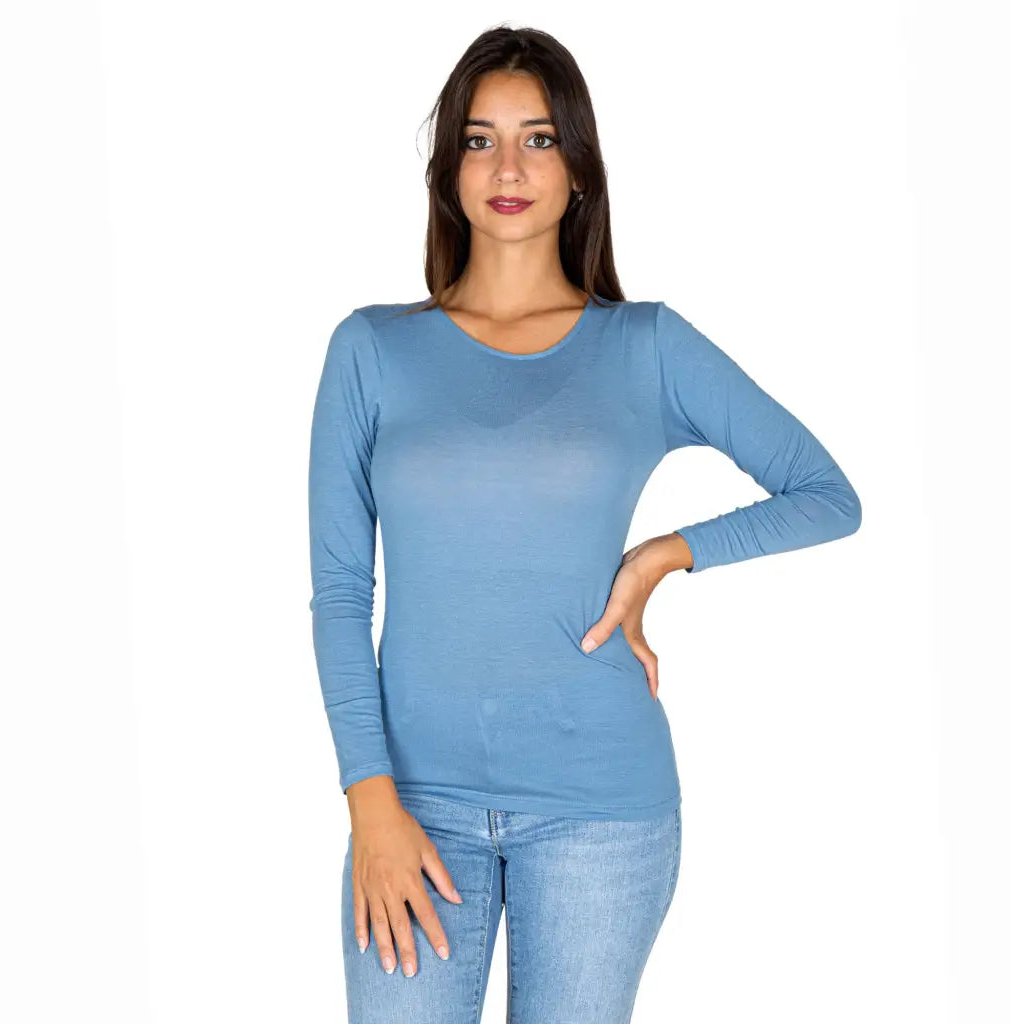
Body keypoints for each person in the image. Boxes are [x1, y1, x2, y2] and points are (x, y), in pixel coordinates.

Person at [307, 25, 861, 1024]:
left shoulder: (645, 345)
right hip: (411, 805)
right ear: (448, 171)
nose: (508, 168)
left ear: (579, 169)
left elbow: (824, 493)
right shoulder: (371, 351)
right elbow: (343, 593)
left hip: (601, 812)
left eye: (539, 139)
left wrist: (664, 556)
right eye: (479, 140)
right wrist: (368, 798)